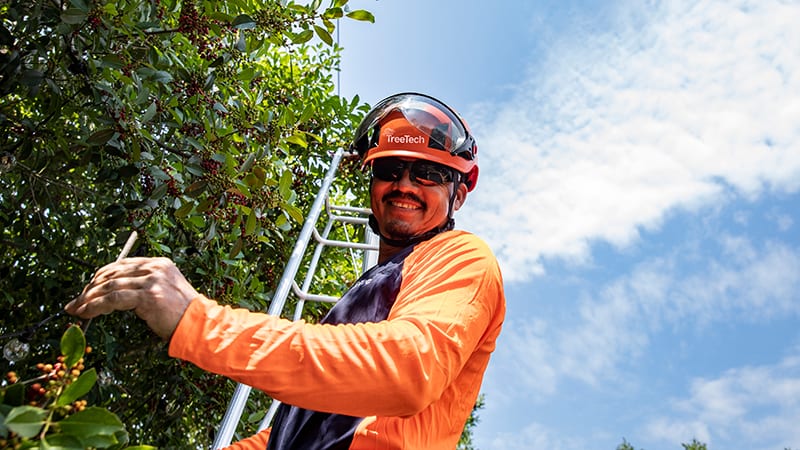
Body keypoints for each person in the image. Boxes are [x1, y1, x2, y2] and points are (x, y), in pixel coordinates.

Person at [66, 92, 506, 450]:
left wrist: (197, 320)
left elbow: (407, 368)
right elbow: (295, 433)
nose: (405, 185)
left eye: (428, 174)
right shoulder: (370, 293)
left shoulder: (462, 257)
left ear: (458, 195)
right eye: (390, 169)